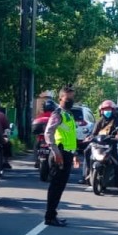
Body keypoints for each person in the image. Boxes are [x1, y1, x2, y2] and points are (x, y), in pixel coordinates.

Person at [42, 85, 79, 226]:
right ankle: (50, 217)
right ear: (60, 98)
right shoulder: (58, 114)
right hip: (59, 154)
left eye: (72, 98)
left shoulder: (69, 114)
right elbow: (48, 132)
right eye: (68, 98)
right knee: (56, 187)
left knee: (60, 187)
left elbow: (71, 136)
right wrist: (56, 151)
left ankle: (52, 215)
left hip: (67, 153)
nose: (70, 100)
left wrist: (74, 154)